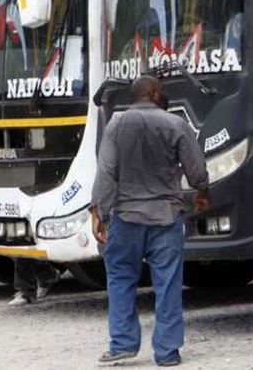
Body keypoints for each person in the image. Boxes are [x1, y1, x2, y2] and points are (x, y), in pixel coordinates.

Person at [90, 75, 209, 367]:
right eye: (163, 91)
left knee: (120, 280)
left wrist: (98, 212)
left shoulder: (116, 125)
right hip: (165, 218)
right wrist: (203, 192)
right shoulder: (175, 124)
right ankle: (167, 352)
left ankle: (122, 345)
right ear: (154, 94)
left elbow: (106, 171)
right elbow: (197, 170)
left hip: (126, 219)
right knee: (168, 284)